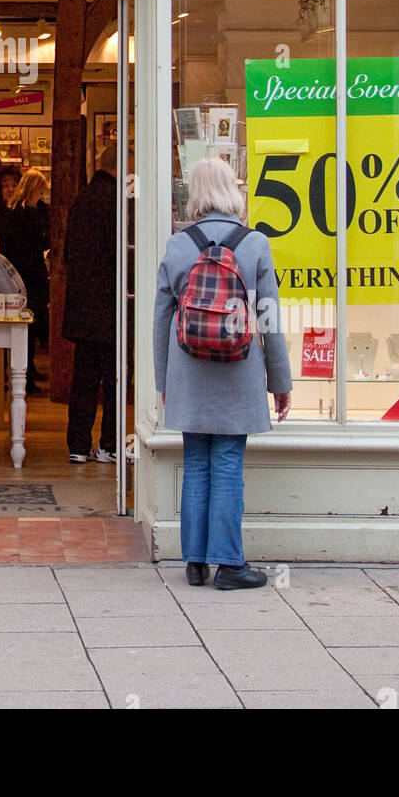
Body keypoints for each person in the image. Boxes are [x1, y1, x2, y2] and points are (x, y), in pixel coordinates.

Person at [153, 156, 292, 590]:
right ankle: (230, 565)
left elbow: (161, 320)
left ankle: (195, 562)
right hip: (239, 370)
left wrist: (163, 382)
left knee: (196, 461)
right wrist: (280, 382)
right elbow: (268, 318)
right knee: (228, 461)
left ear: (193, 193)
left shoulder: (178, 245)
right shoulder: (254, 244)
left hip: (189, 372)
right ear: (232, 190)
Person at [63, 143, 119, 464]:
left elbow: (70, 252)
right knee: (113, 379)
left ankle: (78, 445)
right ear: (118, 168)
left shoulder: (80, 200)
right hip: (112, 304)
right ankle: (109, 443)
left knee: (83, 378)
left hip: (83, 306)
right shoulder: (119, 203)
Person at [0, 168, 50, 393]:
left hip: (19, 274)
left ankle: (26, 369)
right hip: (31, 275)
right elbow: (37, 244)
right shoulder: (29, 214)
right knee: (30, 324)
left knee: (26, 326)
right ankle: (26, 373)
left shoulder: (12, 212)